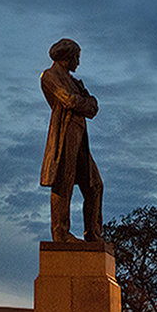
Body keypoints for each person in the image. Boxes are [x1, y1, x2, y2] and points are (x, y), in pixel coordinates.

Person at [40, 38, 103, 242]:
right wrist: (83, 103)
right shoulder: (49, 76)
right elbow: (68, 99)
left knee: (95, 185)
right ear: (67, 57)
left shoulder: (75, 82)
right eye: (76, 57)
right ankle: (61, 233)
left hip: (80, 135)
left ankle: (93, 233)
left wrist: (82, 103)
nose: (78, 62)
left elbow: (93, 106)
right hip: (64, 132)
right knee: (63, 181)